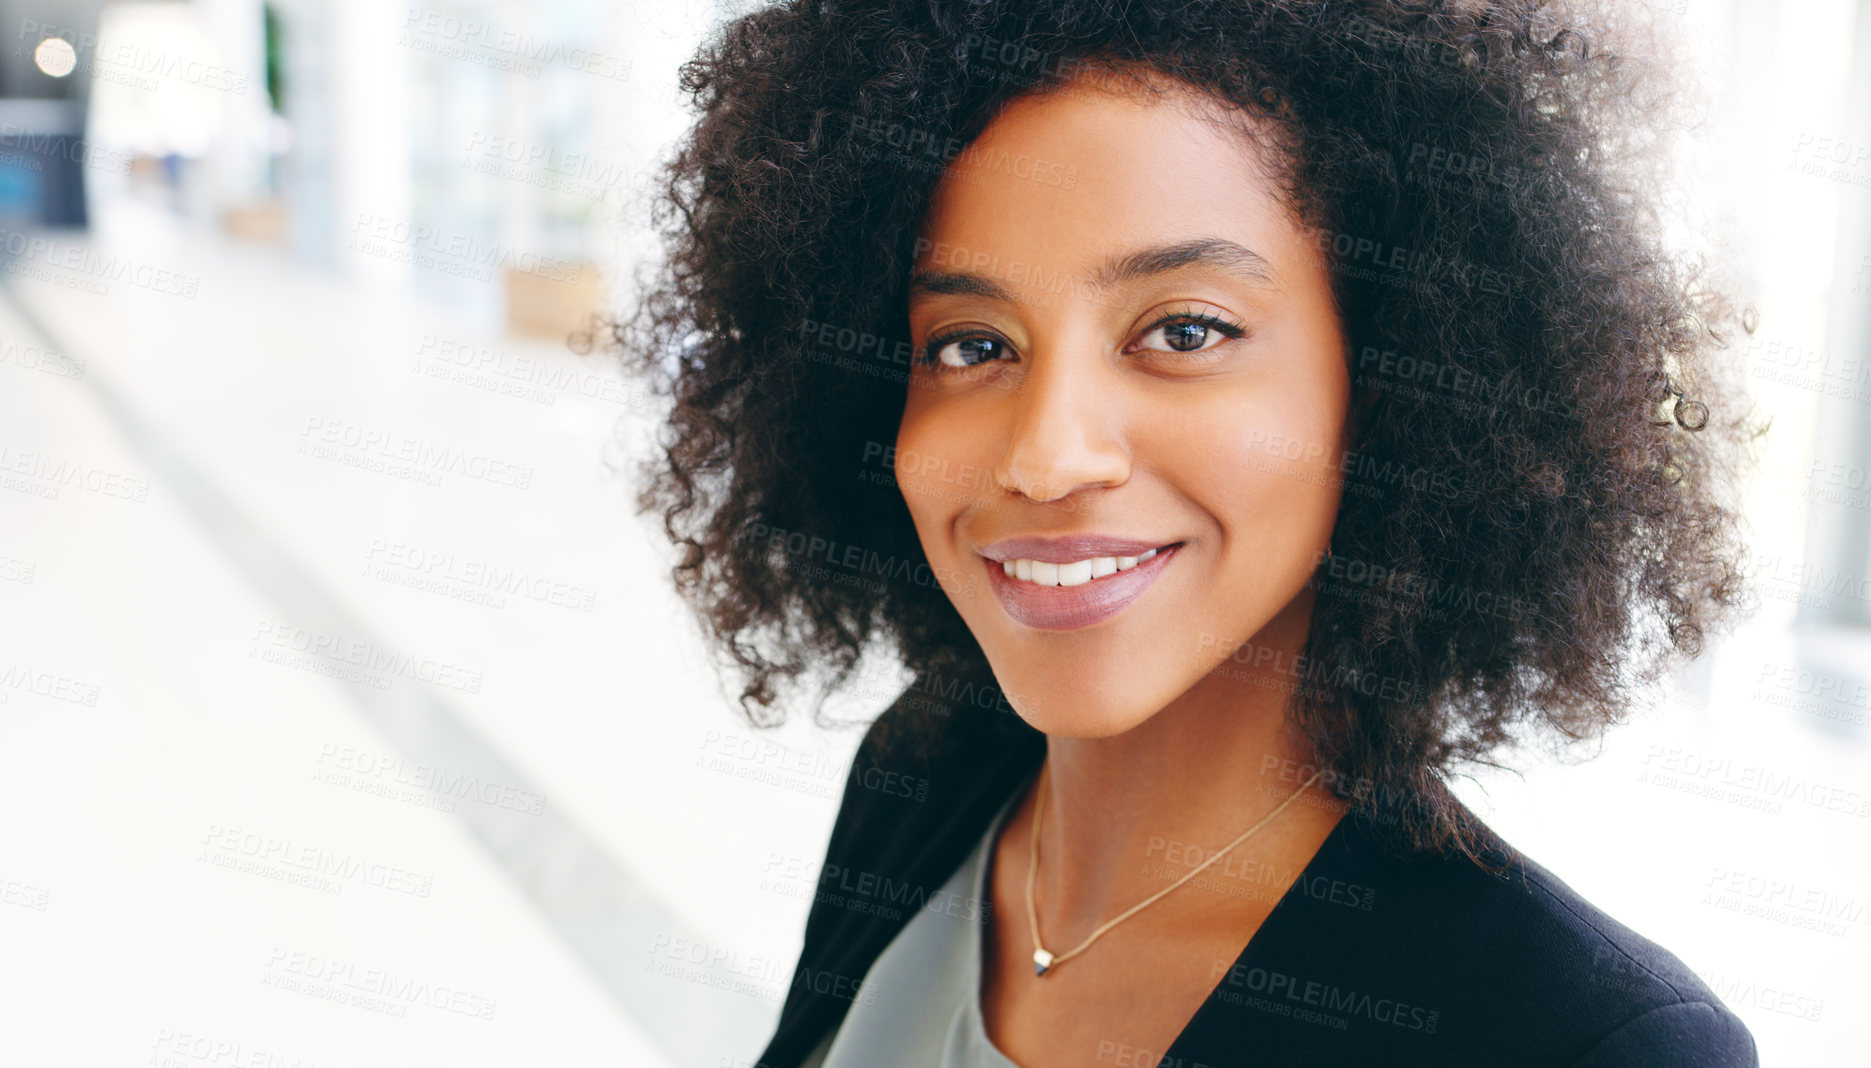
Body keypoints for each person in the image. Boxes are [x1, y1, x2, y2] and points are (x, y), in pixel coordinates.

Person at [606, 1, 1765, 1064]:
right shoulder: (928, 770)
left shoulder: (1581, 1041)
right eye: (970, 344)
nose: (1045, 455)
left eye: (1184, 331)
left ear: (1399, 383)